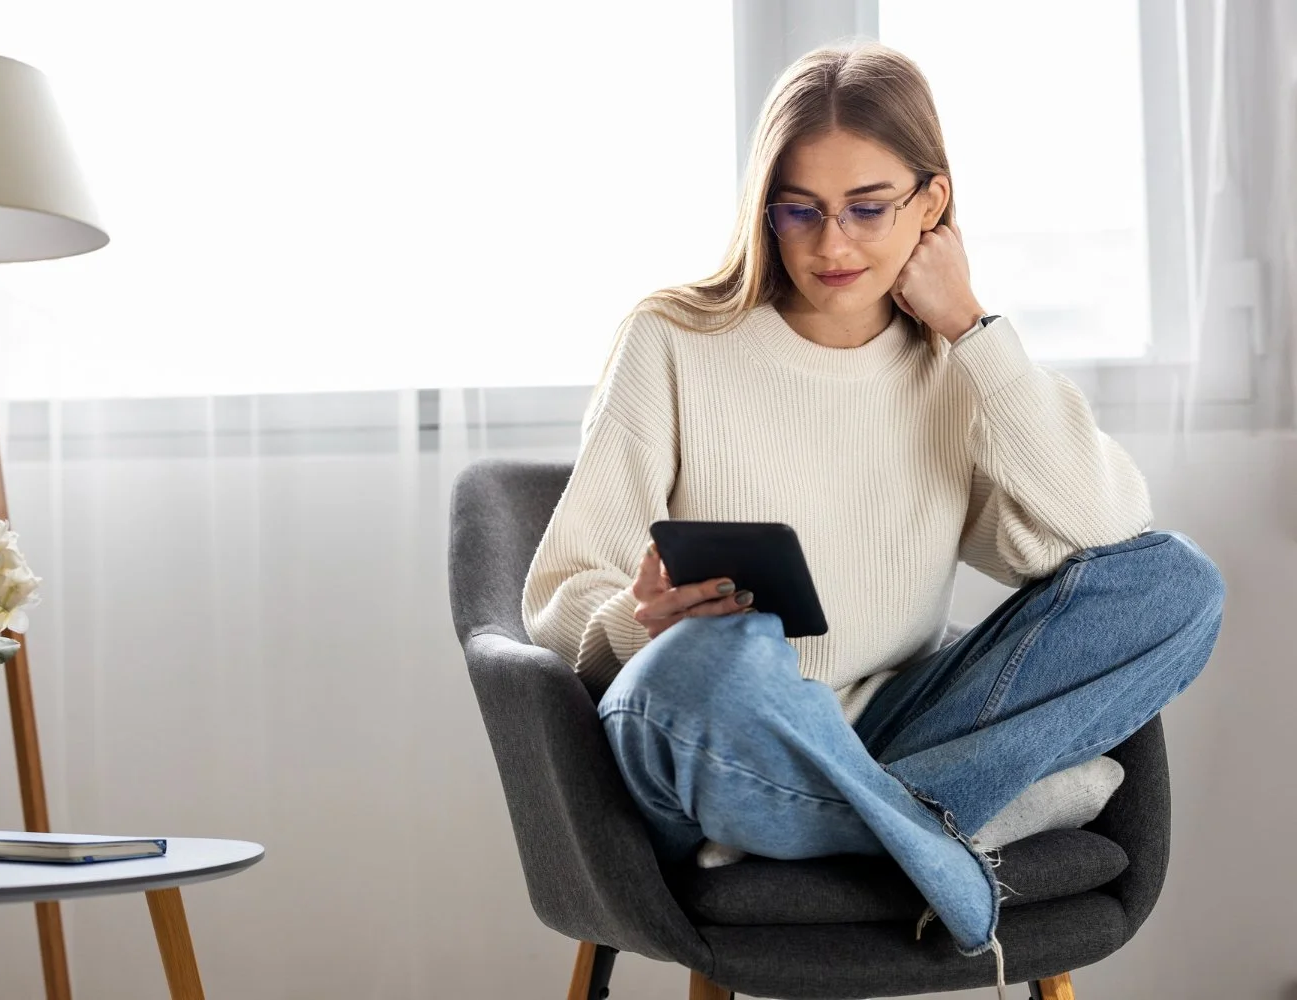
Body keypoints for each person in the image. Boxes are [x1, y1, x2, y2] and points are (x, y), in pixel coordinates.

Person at [520, 42, 1224, 996]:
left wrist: (976, 331)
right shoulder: (673, 340)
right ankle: (944, 826)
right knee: (702, 666)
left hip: (900, 725)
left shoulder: (954, 369)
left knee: (1178, 580)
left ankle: (893, 811)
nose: (831, 245)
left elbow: (1104, 531)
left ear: (931, 205)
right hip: (730, 721)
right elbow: (558, 597)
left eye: (867, 208)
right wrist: (635, 623)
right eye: (799, 209)